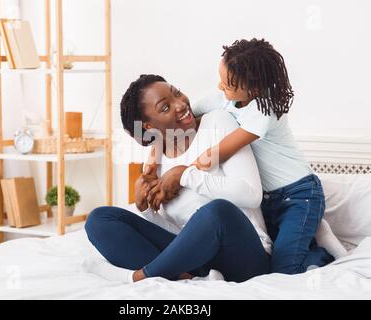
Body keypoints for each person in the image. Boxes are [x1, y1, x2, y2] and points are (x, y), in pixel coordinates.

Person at [148, 39, 347, 275]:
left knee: (284, 269)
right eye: (221, 78)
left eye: (228, 84)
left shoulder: (265, 110)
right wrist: (152, 163)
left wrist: (181, 174)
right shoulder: (226, 97)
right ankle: (311, 234)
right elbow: (181, 123)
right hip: (267, 198)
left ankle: (321, 252)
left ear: (253, 88)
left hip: (299, 195)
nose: (220, 87)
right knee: (277, 252)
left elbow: (218, 152)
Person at [84, 74, 272, 283]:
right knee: (99, 219)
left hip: (244, 255)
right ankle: (185, 276)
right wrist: (145, 207)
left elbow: (251, 194)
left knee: (217, 211)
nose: (180, 104)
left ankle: (140, 276)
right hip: (196, 262)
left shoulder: (217, 122)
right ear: (148, 126)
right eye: (165, 108)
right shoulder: (157, 162)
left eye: (177, 93)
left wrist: (185, 175)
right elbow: (178, 233)